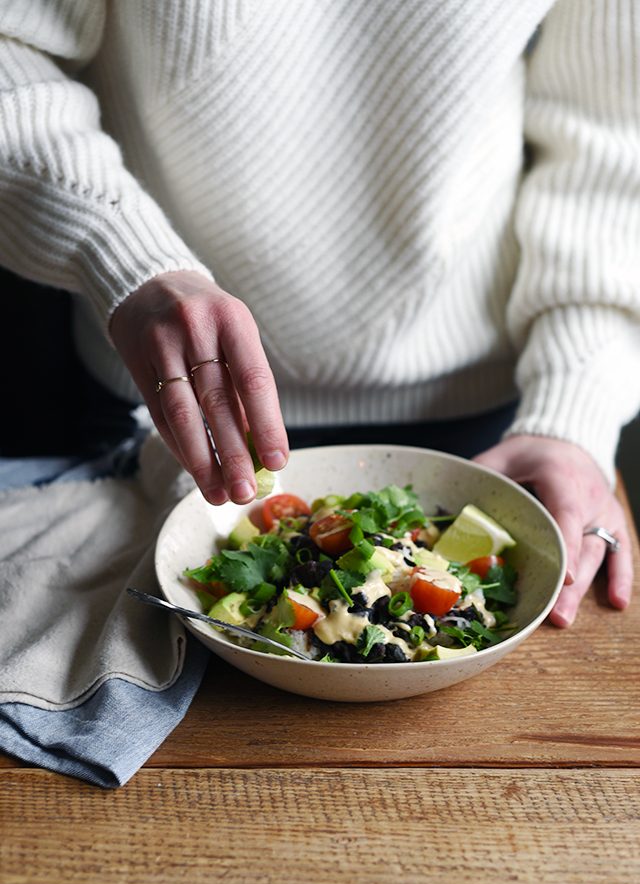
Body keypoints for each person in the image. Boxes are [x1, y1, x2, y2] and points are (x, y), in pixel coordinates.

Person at [0, 0, 637, 629]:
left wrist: (574, 408)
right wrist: (121, 253)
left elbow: (614, 141)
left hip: (491, 439)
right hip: (160, 409)